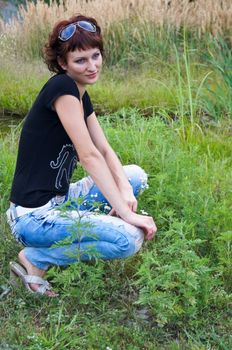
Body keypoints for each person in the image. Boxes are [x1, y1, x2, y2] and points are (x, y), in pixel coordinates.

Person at [6, 14, 157, 297]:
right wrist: (125, 213)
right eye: (81, 60)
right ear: (63, 63)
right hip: (35, 218)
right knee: (129, 239)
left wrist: (125, 192)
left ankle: (100, 222)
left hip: (62, 200)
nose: (92, 66)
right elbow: (88, 155)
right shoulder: (62, 88)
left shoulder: (79, 92)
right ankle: (36, 259)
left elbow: (103, 148)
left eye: (95, 56)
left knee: (135, 176)